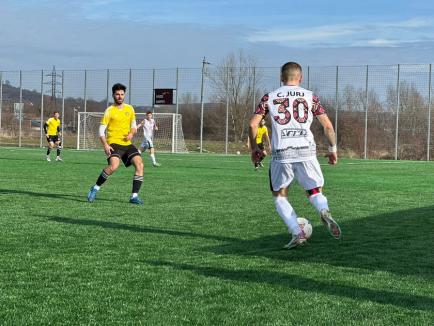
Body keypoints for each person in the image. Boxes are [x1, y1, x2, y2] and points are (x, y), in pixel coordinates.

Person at [249, 61, 341, 249]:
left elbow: (252, 124)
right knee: (314, 190)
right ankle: (323, 210)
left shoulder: (269, 97)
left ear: (281, 78)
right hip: (306, 150)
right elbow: (328, 126)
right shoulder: (310, 97)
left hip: (282, 153)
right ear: (300, 78)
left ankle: (296, 231)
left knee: (280, 196)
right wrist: (332, 150)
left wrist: (254, 149)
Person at [87, 83, 144, 205]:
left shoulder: (130, 109)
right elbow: (101, 130)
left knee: (139, 164)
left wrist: (131, 134)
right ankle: (95, 188)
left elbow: (134, 126)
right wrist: (105, 145)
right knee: (114, 166)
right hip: (113, 143)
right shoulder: (109, 110)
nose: (120, 96)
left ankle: (134, 196)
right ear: (113, 95)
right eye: (117, 94)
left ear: (124, 95)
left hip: (127, 144)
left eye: (122, 94)